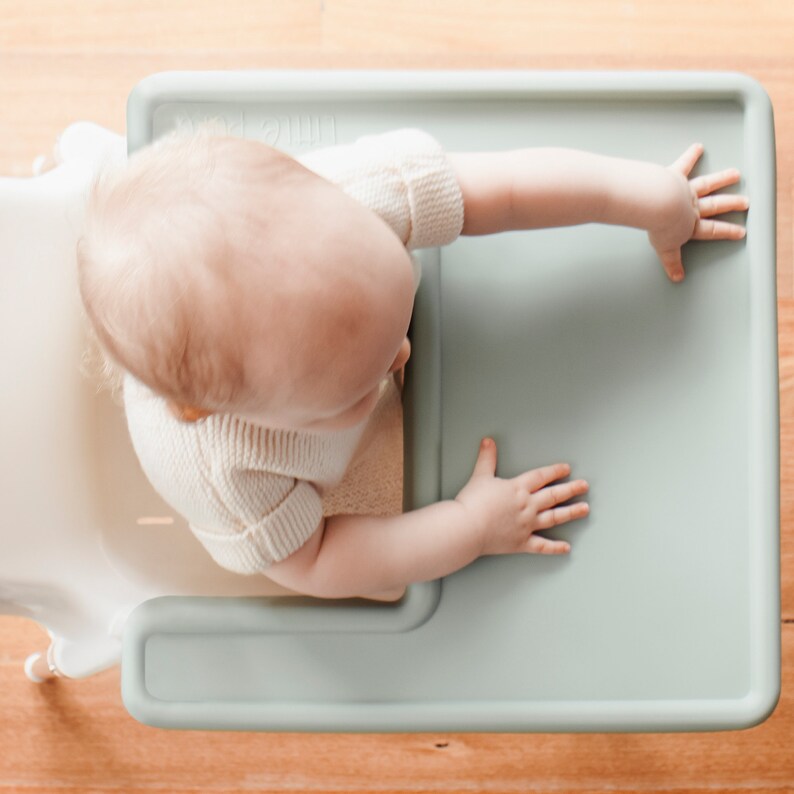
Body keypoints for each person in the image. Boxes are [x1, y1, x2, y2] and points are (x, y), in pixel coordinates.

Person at [76, 126, 748, 600]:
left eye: (395, 327)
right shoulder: (221, 477)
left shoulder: (352, 199)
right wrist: (469, 528)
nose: (403, 355)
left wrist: (645, 196)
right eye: (355, 388)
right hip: (330, 489)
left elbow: (506, 188)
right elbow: (318, 562)